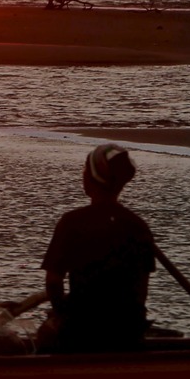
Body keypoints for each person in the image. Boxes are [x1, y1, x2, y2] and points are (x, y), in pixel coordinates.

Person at [38, 144, 156, 353]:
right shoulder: (137, 225)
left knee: (44, 335)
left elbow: (54, 282)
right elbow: (141, 291)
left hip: (82, 332)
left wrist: (61, 316)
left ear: (92, 177)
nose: (82, 174)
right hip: (128, 331)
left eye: (85, 170)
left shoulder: (72, 222)